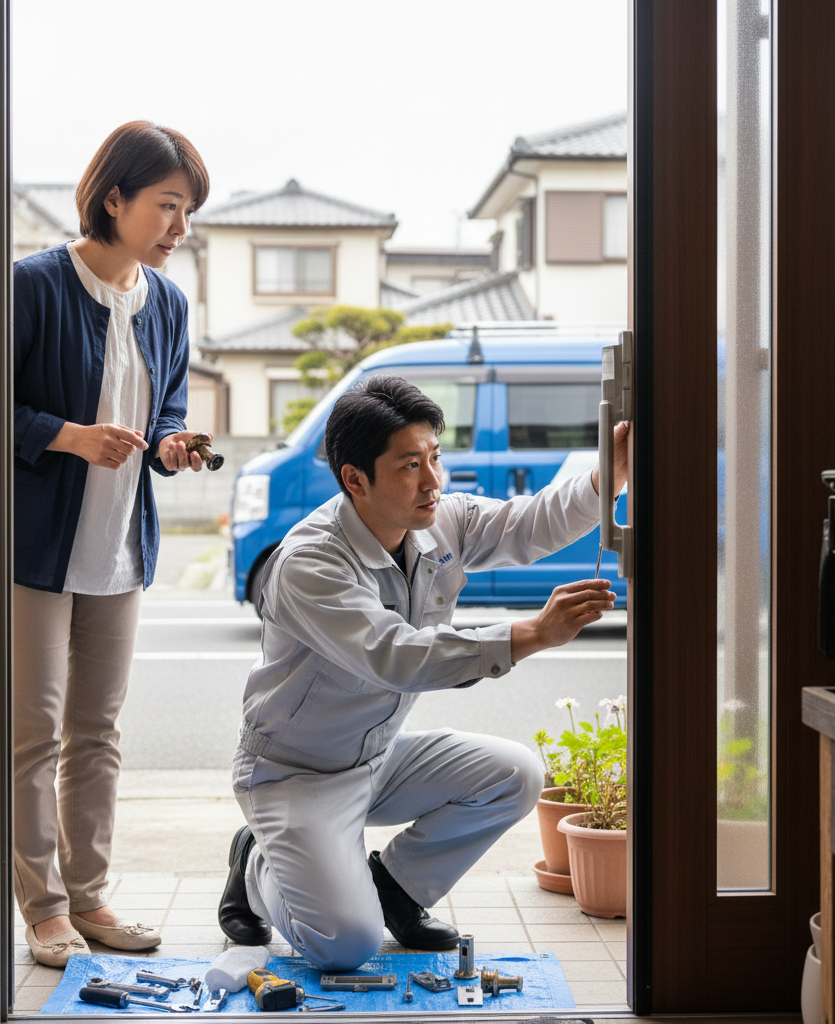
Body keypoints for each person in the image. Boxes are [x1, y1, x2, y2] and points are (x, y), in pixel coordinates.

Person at [218, 375, 628, 970]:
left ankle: (397, 888)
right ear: (355, 479)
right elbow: (397, 655)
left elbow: (529, 523)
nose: (433, 481)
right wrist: (532, 634)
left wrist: (606, 479)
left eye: (434, 457)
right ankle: (256, 862)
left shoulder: (437, 520)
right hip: (293, 774)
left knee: (515, 773)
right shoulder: (309, 563)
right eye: (410, 465)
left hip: (377, 758)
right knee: (345, 946)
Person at [13, 121, 211, 968]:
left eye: (188, 212)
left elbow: (162, 409)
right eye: (168, 207)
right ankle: (43, 908)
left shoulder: (166, 302)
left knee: (97, 732)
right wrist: (70, 437)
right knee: (34, 731)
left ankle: (90, 897)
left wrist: (172, 443)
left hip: (119, 548)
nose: (179, 228)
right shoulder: (31, 287)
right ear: (115, 198)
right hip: (35, 549)